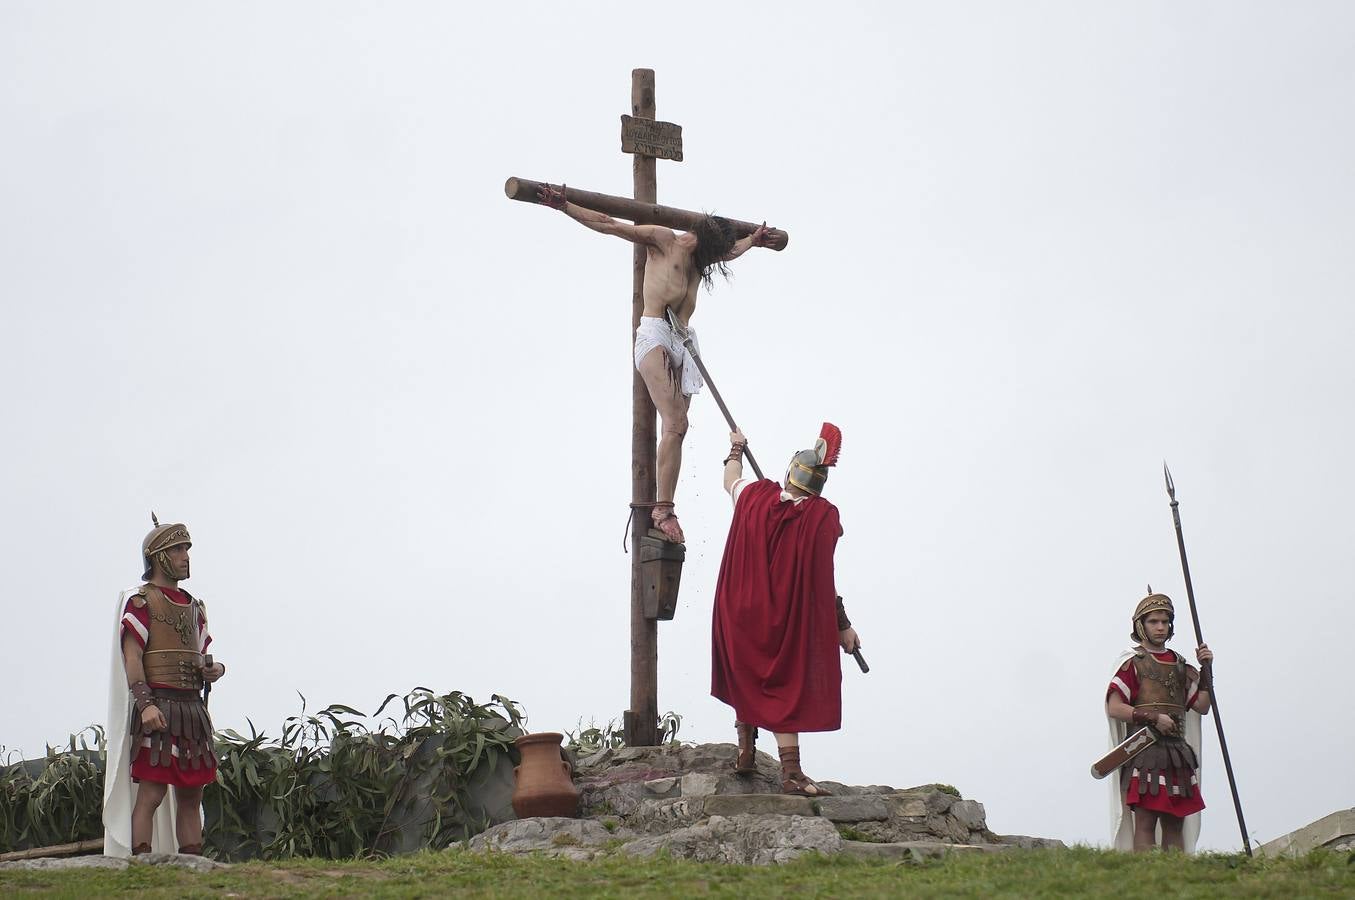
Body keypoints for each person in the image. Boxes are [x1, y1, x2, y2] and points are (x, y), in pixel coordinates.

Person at [538, 183, 775, 542]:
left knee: (679, 427)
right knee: (675, 420)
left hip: (684, 340)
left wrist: (753, 241)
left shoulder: (702, 258)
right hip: (655, 334)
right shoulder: (664, 241)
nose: (722, 257)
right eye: (720, 250)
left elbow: (731, 251)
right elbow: (610, 224)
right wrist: (565, 205)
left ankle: (667, 504)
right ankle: (662, 509)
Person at [710, 424, 861, 796]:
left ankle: (746, 749)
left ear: (790, 471)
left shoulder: (753, 496)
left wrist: (736, 449)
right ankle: (791, 772)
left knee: (748, 672)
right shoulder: (821, 518)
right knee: (779, 684)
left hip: (737, 609)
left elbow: (730, 479)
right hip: (783, 618)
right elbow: (823, 580)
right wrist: (842, 625)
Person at [103, 515, 225, 857]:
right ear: (158, 556)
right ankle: (141, 866)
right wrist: (146, 705)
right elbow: (132, 658)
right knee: (152, 794)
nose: (186, 555)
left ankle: (192, 868)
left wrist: (214, 669)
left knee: (192, 795)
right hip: (159, 705)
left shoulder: (194, 607)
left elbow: (201, 653)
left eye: (186, 548)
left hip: (192, 710)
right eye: (178, 549)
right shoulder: (141, 603)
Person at [1105, 591, 1213, 851]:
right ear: (1141, 625)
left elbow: (1201, 706)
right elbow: (1115, 707)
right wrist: (1152, 717)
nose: (1160, 627)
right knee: (1145, 818)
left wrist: (1206, 670)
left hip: (1177, 752)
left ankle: (1174, 874)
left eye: (1165, 622)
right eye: (1154, 621)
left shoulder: (1179, 665)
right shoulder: (1133, 663)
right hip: (1145, 751)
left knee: (1175, 820)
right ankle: (1145, 875)